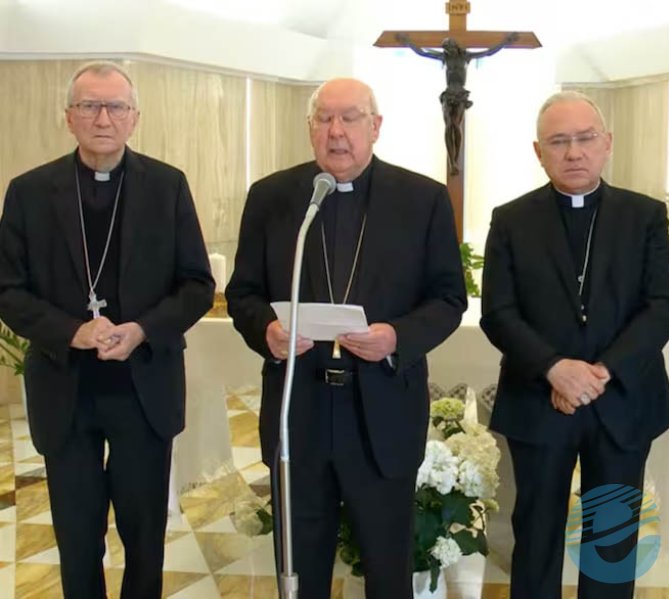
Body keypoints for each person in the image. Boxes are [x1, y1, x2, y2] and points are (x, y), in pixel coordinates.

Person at [225, 77, 466, 599]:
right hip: (300, 409)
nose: (336, 132)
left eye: (350, 118)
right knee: (300, 566)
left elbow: (450, 298)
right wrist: (265, 330)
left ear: (375, 127)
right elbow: (242, 293)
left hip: (380, 411)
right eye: (324, 119)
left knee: (387, 566)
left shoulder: (421, 199)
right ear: (310, 128)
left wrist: (397, 337)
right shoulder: (273, 198)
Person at [0, 61, 214, 597]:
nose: (102, 118)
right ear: (68, 117)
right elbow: (8, 290)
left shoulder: (167, 186)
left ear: (134, 118)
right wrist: (72, 332)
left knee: (144, 535)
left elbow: (196, 285)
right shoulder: (29, 192)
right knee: (77, 536)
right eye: (89, 106)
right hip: (64, 386)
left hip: (143, 386)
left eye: (115, 106)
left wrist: (142, 329)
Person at [480, 90, 669, 598]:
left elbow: (661, 308)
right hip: (538, 401)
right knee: (537, 534)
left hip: (621, 400)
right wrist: (553, 369)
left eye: (585, 139)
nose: (574, 152)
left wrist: (597, 373)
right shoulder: (511, 219)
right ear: (538, 151)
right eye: (559, 141)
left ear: (606, 143)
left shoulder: (645, 215)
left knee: (612, 542)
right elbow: (497, 313)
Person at [396, 33, 518, 175]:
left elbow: (488, 52)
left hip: (460, 95)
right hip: (448, 94)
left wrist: (505, 42)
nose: (448, 51)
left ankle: (456, 158)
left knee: (456, 125)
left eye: (450, 48)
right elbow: (422, 53)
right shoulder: (444, 57)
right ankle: (451, 161)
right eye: (446, 49)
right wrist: (407, 42)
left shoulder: (466, 57)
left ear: (455, 46)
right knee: (448, 125)